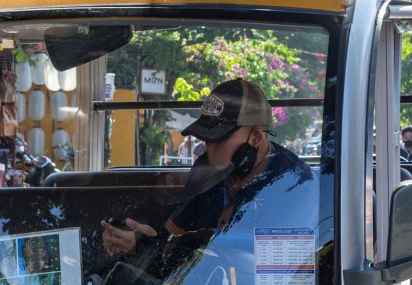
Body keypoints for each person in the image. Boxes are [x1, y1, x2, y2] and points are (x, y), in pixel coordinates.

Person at [102, 78, 311, 259]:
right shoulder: (206, 170)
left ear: (256, 137)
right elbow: (173, 239)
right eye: (205, 139)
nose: (207, 148)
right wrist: (139, 244)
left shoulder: (292, 184)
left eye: (218, 139)